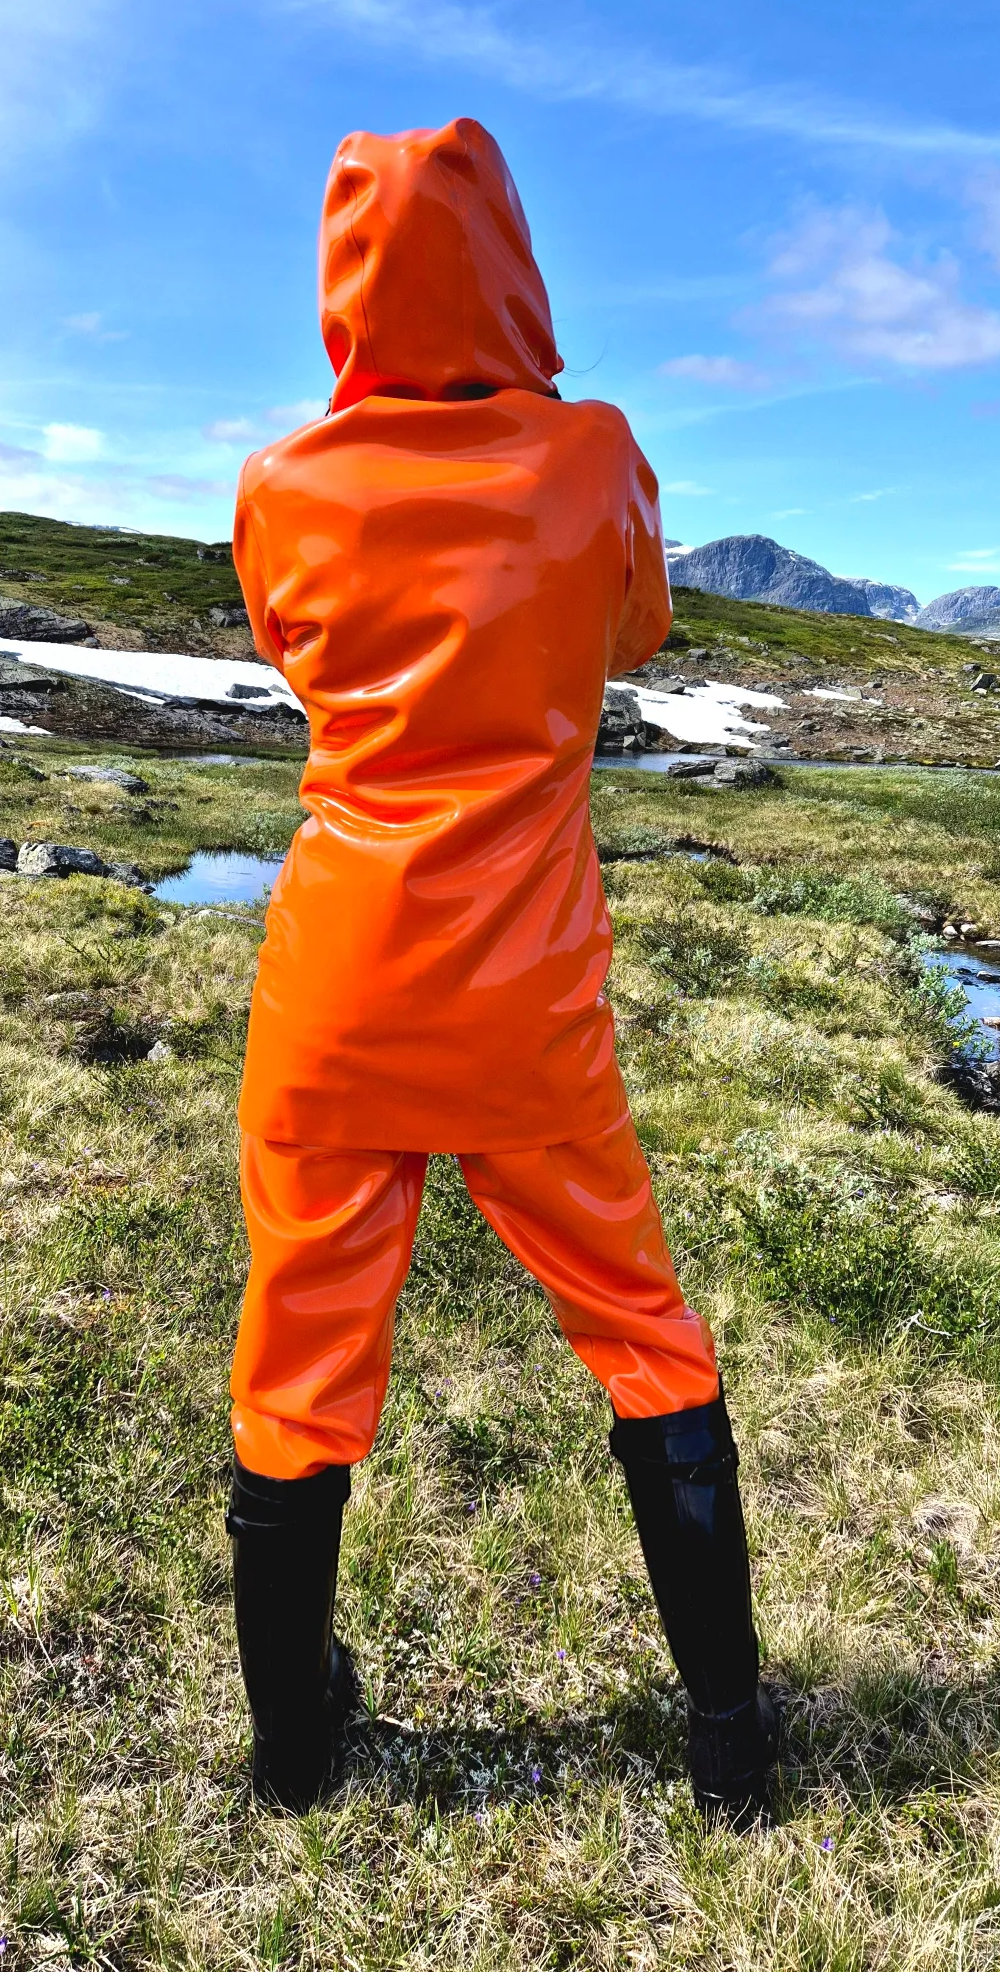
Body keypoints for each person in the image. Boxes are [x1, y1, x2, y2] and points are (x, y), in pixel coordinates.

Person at [223, 116, 779, 1825]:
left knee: (296, 1354)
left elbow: (292, 651)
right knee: (643, 1332)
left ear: (343, 289)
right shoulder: (596, 452)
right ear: (515, 264)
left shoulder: (278, 485)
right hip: (526, 991)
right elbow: (635, 633)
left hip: (338, 983)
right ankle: (730, 1747)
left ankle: (297, 1747)